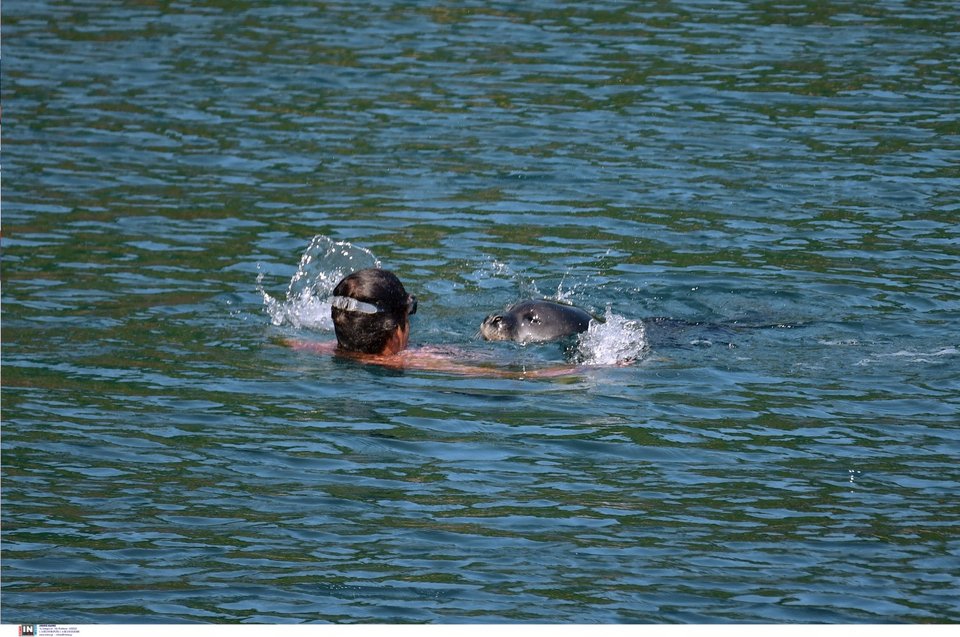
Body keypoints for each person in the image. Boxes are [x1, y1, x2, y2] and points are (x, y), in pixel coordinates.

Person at [285, 267, 575, 378]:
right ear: (396, 330)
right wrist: (593, 368)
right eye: (409, 313)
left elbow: (291, 342)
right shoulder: (421, 360)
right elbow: (518, 373)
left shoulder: (326, 349)